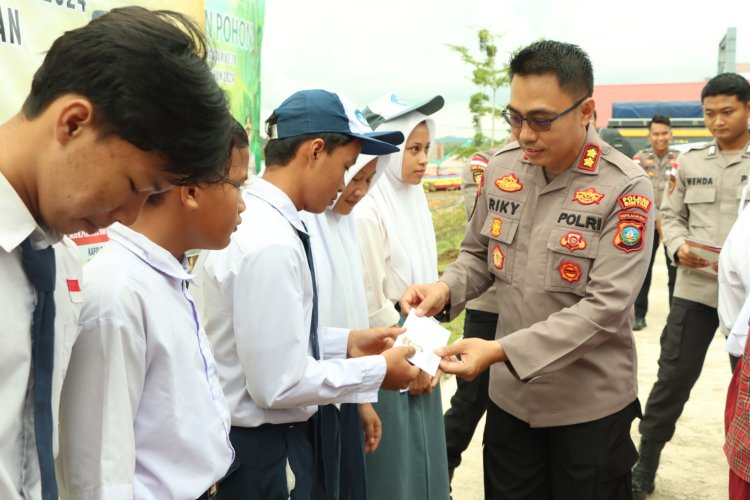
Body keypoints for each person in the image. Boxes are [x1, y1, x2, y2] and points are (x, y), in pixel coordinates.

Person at [400, 40, 656, 499]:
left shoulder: (625, 187)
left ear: (585, 111)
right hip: (511, 403)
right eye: (515, 118)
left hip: (588, 410)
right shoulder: (502, 169)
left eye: (541, 120)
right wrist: (444, 289)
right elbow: (478, 254)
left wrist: (499, 352)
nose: (525, 134)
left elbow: (606, 307)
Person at [0, 7, 231, 500]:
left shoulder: (58, 263)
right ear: (74, 122)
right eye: (133, 186)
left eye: (149, 198)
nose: (128, 215)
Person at [191, 89, 420, 500]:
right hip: (260, 452)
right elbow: (277, 384)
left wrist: (346, 343)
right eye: (346, 166)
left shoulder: (271, 224)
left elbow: (267, 342)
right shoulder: (270, 242)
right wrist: (378, 372)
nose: (345, 182)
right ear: (315, 151)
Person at [56, 120, 249, 500]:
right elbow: (100, 479)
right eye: (237, 185)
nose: (243, 204)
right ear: (191, 191)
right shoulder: (117, 293)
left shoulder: (167, 273)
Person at [632, 72, 750, 499]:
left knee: (748, 383)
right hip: (696, 288)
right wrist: (678, 247)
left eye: (727, 112)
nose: (717, 122)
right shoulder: (692, 161)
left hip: (747, 300)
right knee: (673, 377)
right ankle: (645, 462)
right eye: (709, 113)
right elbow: (671, 212)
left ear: (748, 109)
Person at [354, 93, 450, 500]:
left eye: (426, 149)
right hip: (390, 357)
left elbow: (427, 287)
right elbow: (374, 305)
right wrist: (413, 360)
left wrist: (431, 359)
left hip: (420, 350)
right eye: (412, 149)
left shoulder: (416, 200)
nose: (422, 159)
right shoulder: (367, 209)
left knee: (425, 467)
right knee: (395, 475)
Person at [299, 141, 396, 499]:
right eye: (353, 176)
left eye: (369, 180)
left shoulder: (345, 225)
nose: (357, 190)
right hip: (309, 403)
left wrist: (362, 401)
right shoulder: (303, 229)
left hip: (345, 391)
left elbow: (350, 316)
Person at [442, 149, 499, 484]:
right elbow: (483, 229)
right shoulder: (485, 165)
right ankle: (442, 469)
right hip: (490, 303)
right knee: (470, 398)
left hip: (541, 313)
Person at [632, 115, 680, 330]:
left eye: (664, 133)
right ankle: (638, 316)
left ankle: (676, 319)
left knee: (676, 275)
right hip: (646, 224)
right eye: (656, 134)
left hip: (674, 225)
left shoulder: (681, 159)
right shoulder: (639, 159)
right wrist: (656, 218)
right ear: (649, 135)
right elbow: (635, 194)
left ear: (671, 133)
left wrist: (665, 220)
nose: (660, 138)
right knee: (642, 272)